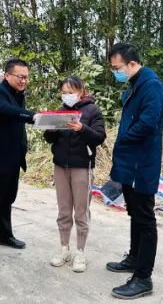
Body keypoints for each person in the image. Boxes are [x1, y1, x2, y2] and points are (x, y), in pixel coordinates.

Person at [106, 42, 163, 299]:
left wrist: (124, 139)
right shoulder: (134, 85)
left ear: (132, 64)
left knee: (145, 218)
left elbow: (148, 123)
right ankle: (133, 257)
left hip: (141, 163)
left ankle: (143, 277)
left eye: (117, 68)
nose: (115, 72)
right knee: (135, 215)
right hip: (130, 162)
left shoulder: (150, 85)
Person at [43, 75, 106, 273]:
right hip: (60, 166)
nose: (67, 95)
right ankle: (64, 249)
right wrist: (48, 123)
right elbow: (48, 138)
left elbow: (99, 137)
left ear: (81, 91)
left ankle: (80, 252)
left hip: (82, 167)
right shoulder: (61, 111)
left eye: (71, 92)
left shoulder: (92, 110)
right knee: (63, 211)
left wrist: (82, 128)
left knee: (81, 211)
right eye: (64, 92)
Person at [0, 59, 36, 262]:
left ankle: (5, 235)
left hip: (13, 159)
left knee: (8, 200)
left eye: (26, 77)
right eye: (20, 77)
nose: (23, 80)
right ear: (7, 76)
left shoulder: (18, 95)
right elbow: (4, 110)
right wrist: (31, 116)